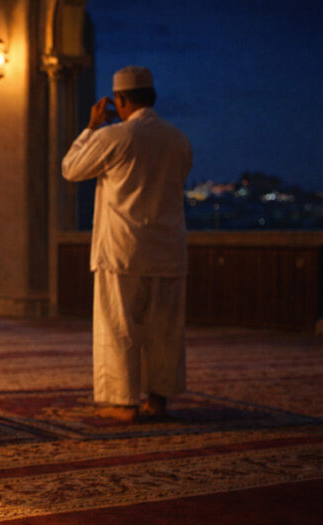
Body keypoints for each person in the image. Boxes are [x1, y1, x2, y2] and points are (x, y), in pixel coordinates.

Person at [61, 66, 193, 422]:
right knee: (164, 329)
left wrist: (91, 128)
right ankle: (158, 399)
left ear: (120, 101)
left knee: (119, 327)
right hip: (168, 247)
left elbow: (71, 168)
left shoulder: (117, 136)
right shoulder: (178, 138)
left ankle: (122, 402)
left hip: (123, 248)